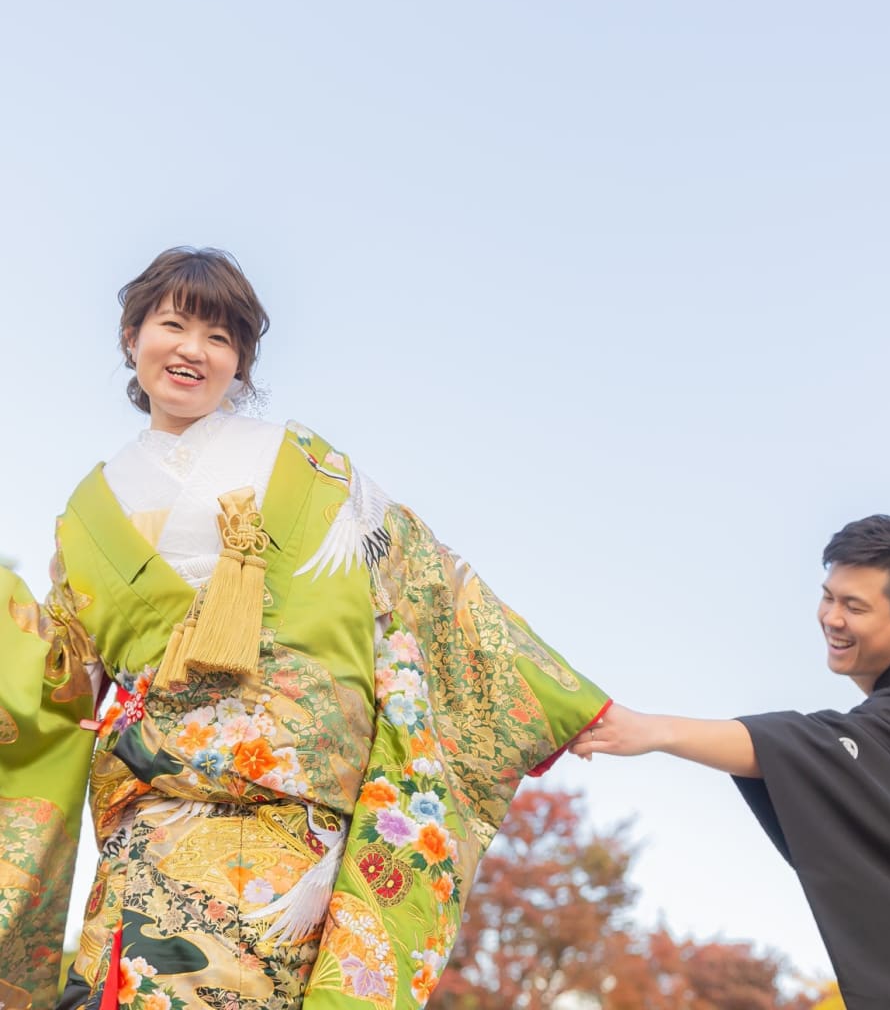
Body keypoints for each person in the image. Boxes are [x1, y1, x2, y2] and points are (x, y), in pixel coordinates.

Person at [0, 247, 610, 1009]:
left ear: (241, 365)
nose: (194, 349)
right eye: (173, 324)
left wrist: (566, 698)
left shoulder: (301, 462)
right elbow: (69, 670)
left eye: (221, 338)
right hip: (151, 806)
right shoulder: (87, 509)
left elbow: (419, 577)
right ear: (133, 336)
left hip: (290, 805)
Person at [574, 515, 890, 1010]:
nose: (832, 618)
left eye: (854, 606)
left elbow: (810, 745)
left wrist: (656, 731)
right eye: (829, 596)